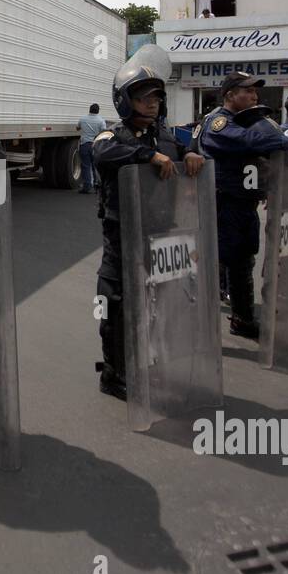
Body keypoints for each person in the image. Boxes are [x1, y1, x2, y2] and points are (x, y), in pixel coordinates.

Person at [92, 60, 204, 399]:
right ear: (125, 101)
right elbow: (103, 152)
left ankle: (147, 360)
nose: (152, 103)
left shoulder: (166, 136)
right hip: (123, 235)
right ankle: (113, 373)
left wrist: (194, 154)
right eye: (143, 97)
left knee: (155, 301)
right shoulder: (114, 134)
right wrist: (148, 155)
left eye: (156, 97)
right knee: (114, 302)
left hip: (160, 234)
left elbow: (187, 155)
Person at [194, 71, 288, 339]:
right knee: (216, 263)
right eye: (248, 91)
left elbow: (253, 157)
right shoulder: (219, 123)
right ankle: (199, 329)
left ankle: (242, 319)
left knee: (242, 260)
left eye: (256, 92)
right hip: (222, 203)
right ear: (230, 95)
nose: (254, 97)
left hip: (243, 203)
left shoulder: (243, 121)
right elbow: (248, 142)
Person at [76, 103, 107, 194]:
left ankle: (87, 186)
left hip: (84, 144)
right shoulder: (101, 121)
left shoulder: (83, 119)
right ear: (98, 111)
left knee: (86, 166)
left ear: (89, 110)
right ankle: (97, 185)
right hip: (96, 145)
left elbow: (77, 128)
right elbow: (103, 132)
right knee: (96, 166)